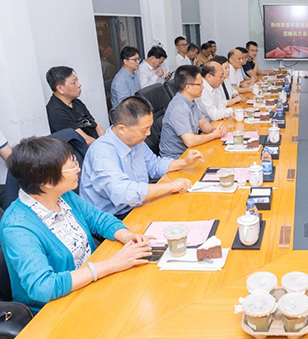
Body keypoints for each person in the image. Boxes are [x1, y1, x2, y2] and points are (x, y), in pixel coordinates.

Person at [0, 136, 153, 314]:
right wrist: (111, 264)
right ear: (47, 181)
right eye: (72, 165)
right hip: (57, 309)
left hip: (92, 285)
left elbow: (98, 219)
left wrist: (127, 236)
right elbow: (43, 287)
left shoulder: (63, 195)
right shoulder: (17, 226)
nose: (78, 169)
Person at [80, 96, 202, 218]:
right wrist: (171, 186)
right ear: (122, 129)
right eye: (144, 130)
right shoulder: (101, 153)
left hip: (138, 205)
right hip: (114, 218)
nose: (149, 133)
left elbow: (154, 165)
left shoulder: (135, 142)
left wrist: (184, 162)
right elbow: (124, 193)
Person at [160, 65, 226, 158]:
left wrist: (213, 129)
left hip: (190, 151)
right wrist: (213, 135)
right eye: (200, 84)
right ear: (188, 87)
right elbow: (190, 141)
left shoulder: (191, 100)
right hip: (177, 157)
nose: (203, 87)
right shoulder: (178, 108)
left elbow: (202, 123)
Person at [45, 66, 105, 145]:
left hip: (97, 144)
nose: (79, 85)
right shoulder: (56, 112)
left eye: (77, 80)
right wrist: (104, 146)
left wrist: (107, 141)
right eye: (73, 83)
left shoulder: (76, 102)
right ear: (60, 88)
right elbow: (85, 140)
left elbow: (95, 125)